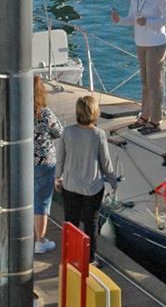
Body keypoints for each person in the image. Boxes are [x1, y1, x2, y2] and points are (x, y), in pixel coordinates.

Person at [111, 0, 166, 135]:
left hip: (156, 43)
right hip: (141, 42)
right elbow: (133, 17)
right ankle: (144, 115)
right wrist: (119, 20)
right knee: (145, 82)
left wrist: (149, 22)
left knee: (155, 82)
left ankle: (156, 120)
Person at [55, 95, 118, 264]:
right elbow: (105, 162)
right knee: (91, 224)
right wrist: (113, 181)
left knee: (71, 222)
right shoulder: (98, 134)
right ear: (94, 112)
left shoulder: (68, 132)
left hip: (70, 186)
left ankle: (70, 256)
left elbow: (60, 157)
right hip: (93, 188)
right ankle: (90, 259)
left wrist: (57, 177)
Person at [33, 75, 63, 255]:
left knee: (29, 198)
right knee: (42, 201)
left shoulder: (17, 111)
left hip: (24, 161)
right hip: (45, 161)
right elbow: (58, 132)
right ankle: (40, 240)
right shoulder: (45, 113)